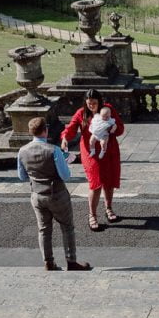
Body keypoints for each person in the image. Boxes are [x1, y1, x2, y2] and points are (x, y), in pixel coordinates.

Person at [15, 115, 91, 272]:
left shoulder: (22, 151)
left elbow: (22, 176)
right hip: (56, 193)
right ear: (46, 130)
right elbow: (65, 176)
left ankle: (48, 262)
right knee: (67, 227)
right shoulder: (54, 150)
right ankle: (71, 261)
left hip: (36, 194)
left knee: (43, 229)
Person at [60, 90, 123, 232]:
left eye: (94, 103)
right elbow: (70, 129)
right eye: (89, 104)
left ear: (100, 101)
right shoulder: (81, 113)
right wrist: (65, 138)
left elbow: (120, 128)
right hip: (90, 152)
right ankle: (92, 215)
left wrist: (112, 129)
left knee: (109, 180)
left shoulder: (108, 109)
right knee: (95, 183)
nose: (92, 106)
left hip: (109, 149)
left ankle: (109, 208)